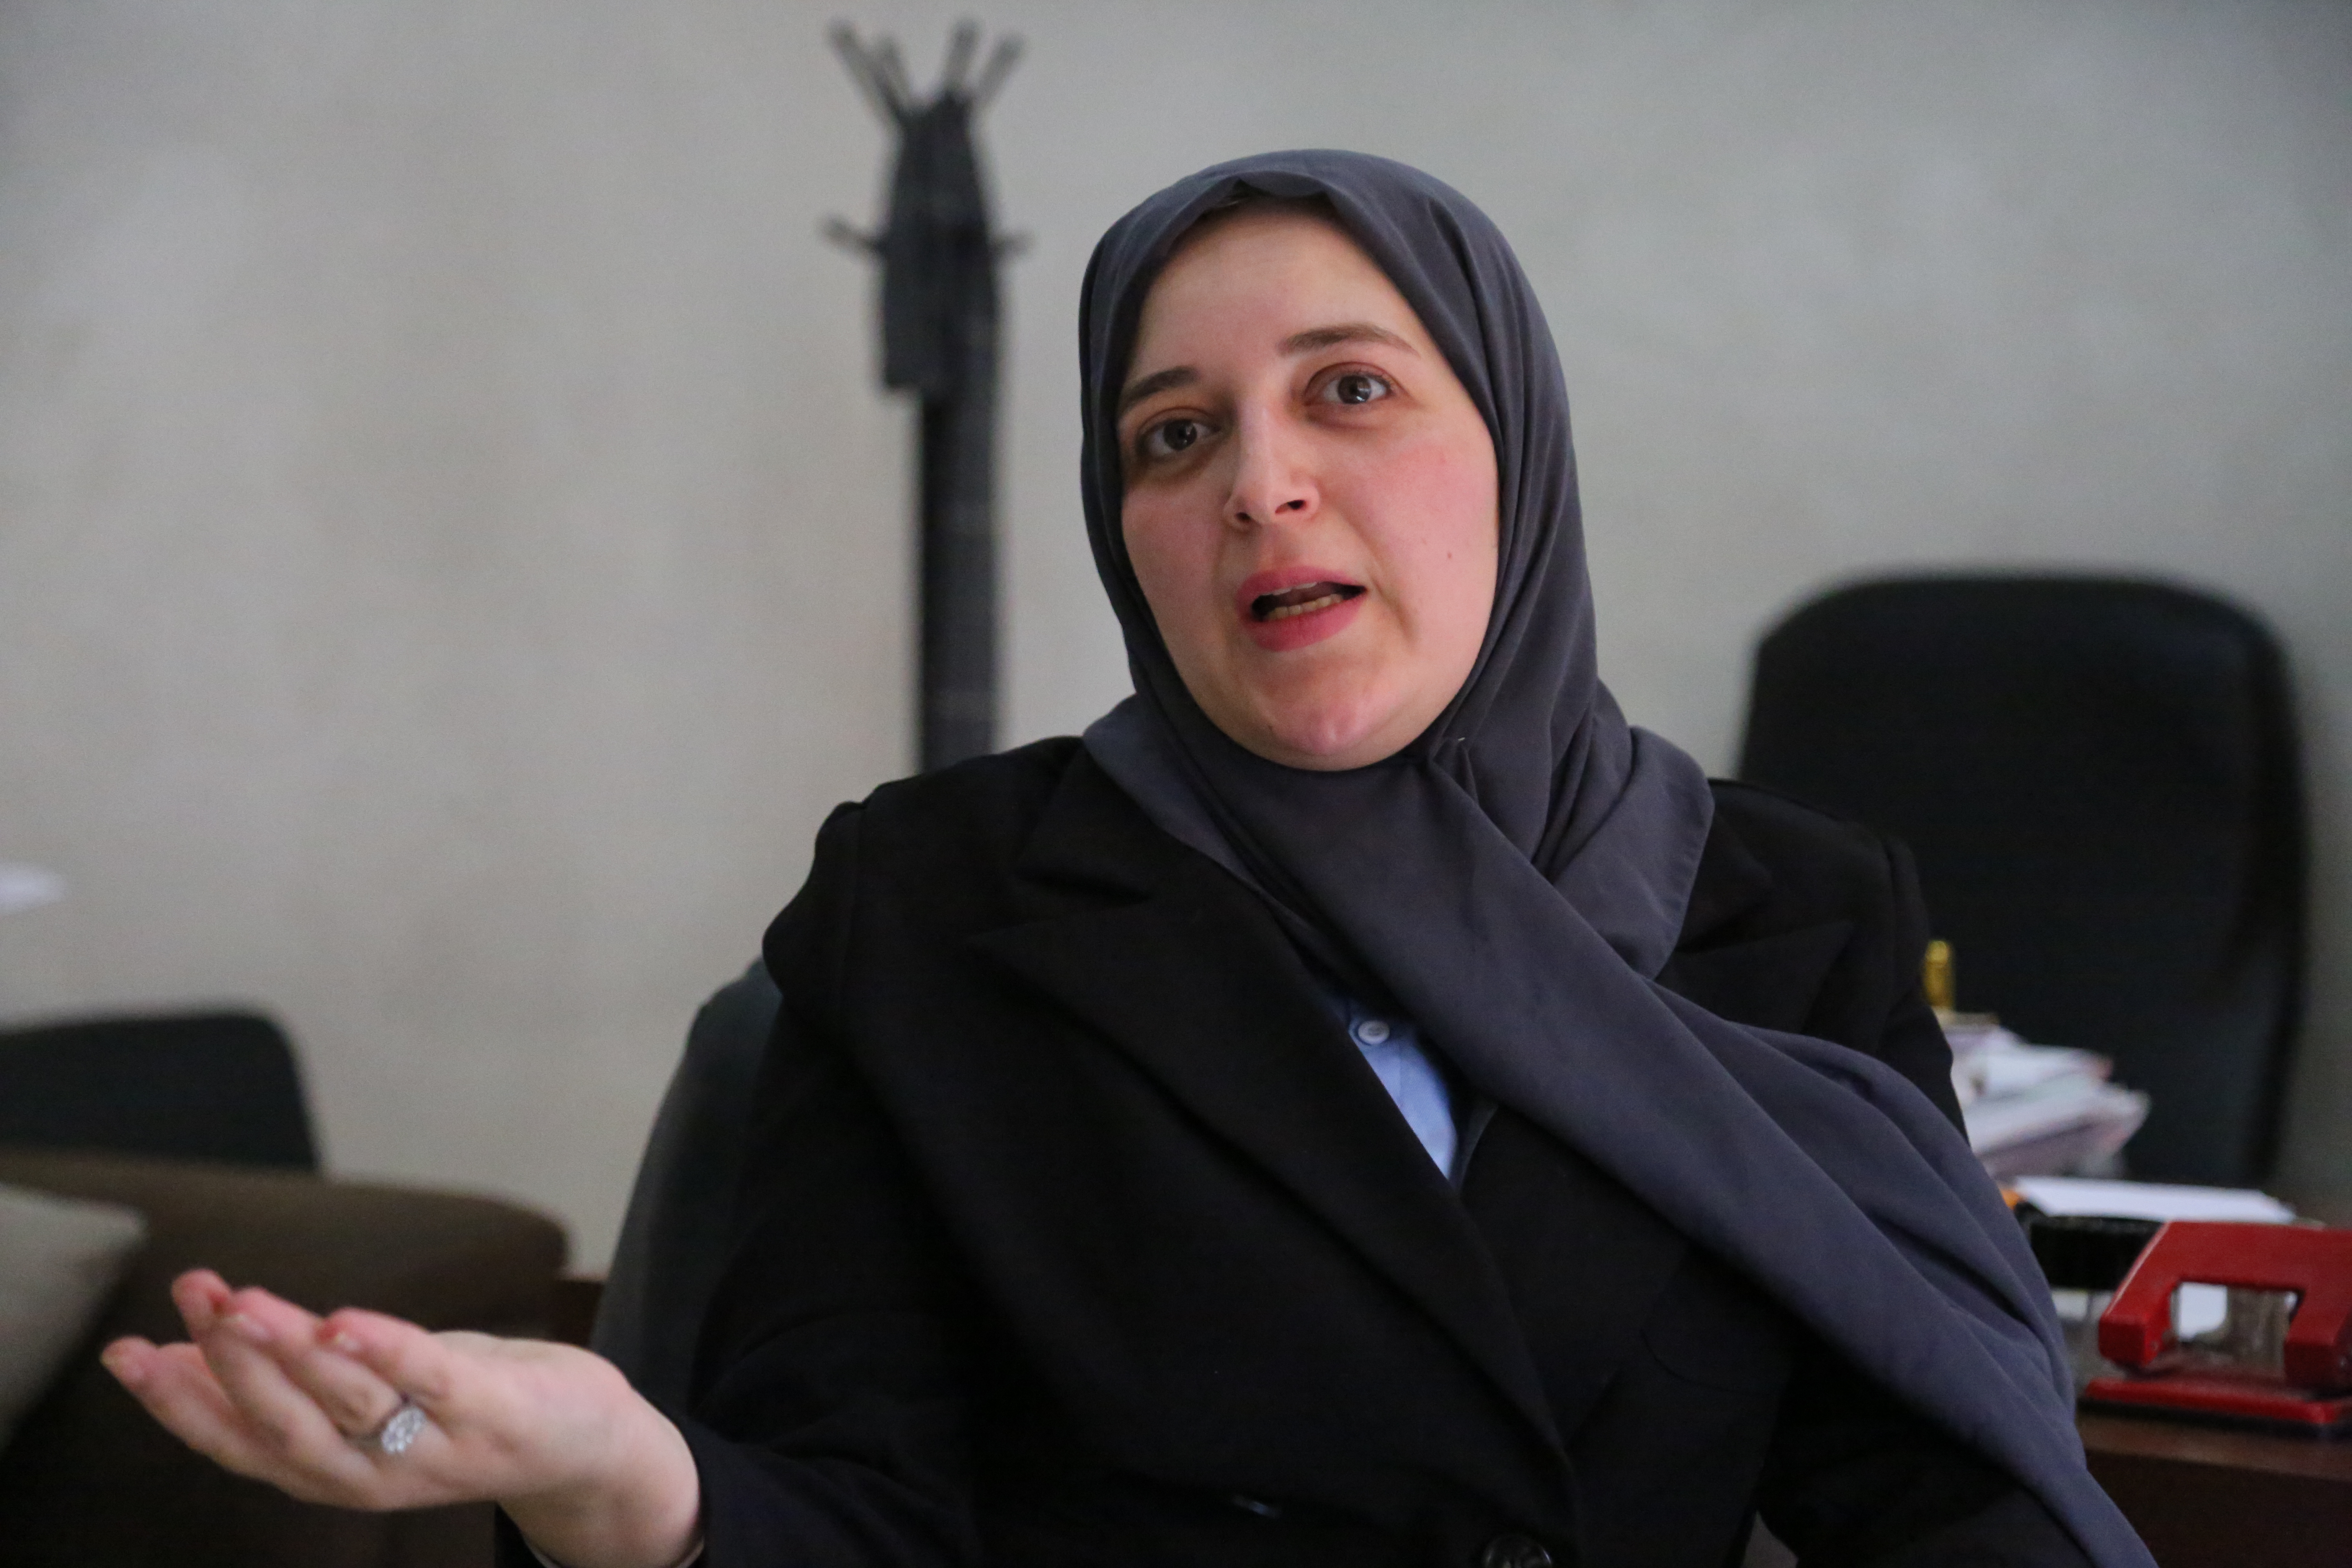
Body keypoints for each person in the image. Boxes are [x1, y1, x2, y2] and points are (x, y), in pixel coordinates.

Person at [102, 151, 2153, 1568]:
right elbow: (858, 1514)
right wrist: (633, 1486)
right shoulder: (940, 905)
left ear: (1515, 462)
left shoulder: (1788, 909)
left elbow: (1927, 1465)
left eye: (1350, 392)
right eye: (1171, 435)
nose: (1259, 482)